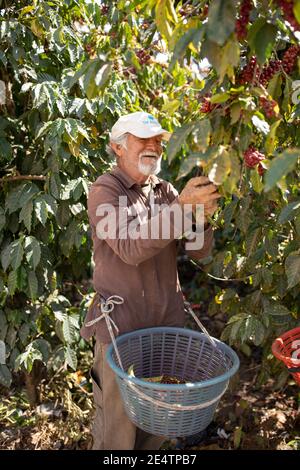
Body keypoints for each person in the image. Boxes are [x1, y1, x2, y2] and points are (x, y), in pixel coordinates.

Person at [80, 111, 220, 450]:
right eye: (145, 139)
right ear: (117, 146)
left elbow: (199, 253)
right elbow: (129, 248)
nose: (154, 146)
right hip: (121, 330)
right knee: (120, 431)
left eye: (158, 140)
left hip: (165, 328)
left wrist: (200, 219)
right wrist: (183, 206)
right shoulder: (105, 191)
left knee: (159, 422)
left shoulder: (164, 190)